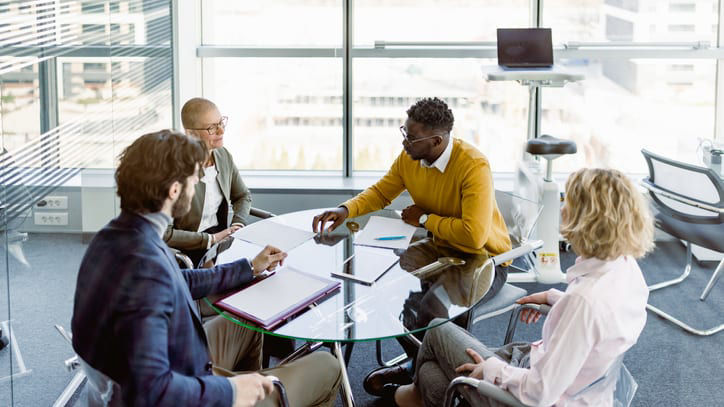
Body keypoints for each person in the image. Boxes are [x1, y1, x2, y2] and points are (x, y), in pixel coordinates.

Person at [72, 130, 341, 407]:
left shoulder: (114, 237)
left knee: (249, 319)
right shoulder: (144, 268)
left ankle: (251, 389)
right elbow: (150, 391)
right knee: (327, 366)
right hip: (178, 392)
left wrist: (249, 267)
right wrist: (231, 392)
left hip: (179, 364)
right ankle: (247, 394)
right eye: (193, 178)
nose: (198, 182)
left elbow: (177, 281)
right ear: (174, 190)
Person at [389, 168, 654, 407]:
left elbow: (541, 392)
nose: (562, 210)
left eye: (568, 204)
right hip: (558, 372)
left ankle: (417, 394)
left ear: (589, 221)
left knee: (436, 331)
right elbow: (602, 322)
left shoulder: (584, 303)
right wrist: (556, 299)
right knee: (431, 373)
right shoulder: (626, 268)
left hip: (534, 394)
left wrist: (494, 369)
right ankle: (425, 393)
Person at [312, 97, 511, 395]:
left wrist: (426, 218)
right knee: (382, 290)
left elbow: (474, 236)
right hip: (439, 247)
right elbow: (383, 191)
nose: (405, 142)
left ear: (436, 140)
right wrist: (345, 209)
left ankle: (437, 379)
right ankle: (420, 364)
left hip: (483, 260)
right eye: (404, 132)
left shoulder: (473, 165)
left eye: (411, 137)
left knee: (431, 307)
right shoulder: (411, 158)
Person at [164, 97, 252, 267]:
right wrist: (211, 239)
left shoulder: (223, 155)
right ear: (191, 133)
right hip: (185, 249)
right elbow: (163, 233)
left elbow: (242, 196)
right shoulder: (174, 168)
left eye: (221, 123)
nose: (221, 131)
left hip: (220, 243)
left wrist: (238, 224)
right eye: (212, 128)